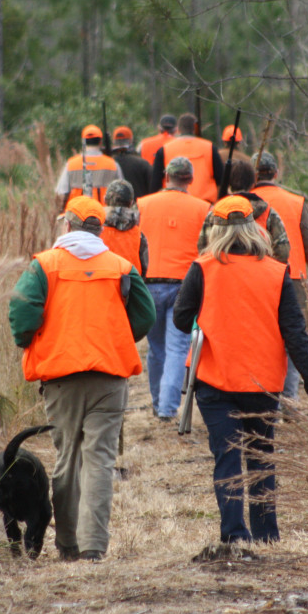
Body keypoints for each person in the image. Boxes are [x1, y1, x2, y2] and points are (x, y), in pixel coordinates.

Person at [9, 196, 155, 562]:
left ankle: (69, 545)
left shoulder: (45, 265)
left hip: (61, 378)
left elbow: (23, 311)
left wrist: (28, 340)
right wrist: (117, 337)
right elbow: (145, 314)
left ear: (68, 226)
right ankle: (94, 547)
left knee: (67, 458)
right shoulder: (121, 266)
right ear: (99, 229)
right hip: (109, 378)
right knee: (101, 459)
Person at [173, 195, 308, 544]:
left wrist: (210, 318)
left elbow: (182, 319)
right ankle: (267, 535)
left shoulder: (203, 267)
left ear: (217, 230)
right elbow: (294, 333)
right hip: (263, 383)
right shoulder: (276, 272)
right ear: (255, 227)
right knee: (261, 457)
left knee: (227, 457)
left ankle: (233, 536)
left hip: (214, 380)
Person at [136, 157, 210, 421]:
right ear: (190, 179)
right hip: (184, 288)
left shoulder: (142, 205)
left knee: (155, 349)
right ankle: (167, 409)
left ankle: (158, 404)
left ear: (166, 175)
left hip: (148, 285)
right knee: (178, 348)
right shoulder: (204, 209)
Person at [250, 151, 308, 402]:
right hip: (292, 279)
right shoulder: (296, 201)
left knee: (258, 339)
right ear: (276, 173)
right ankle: (289, 400)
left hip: (252, 280)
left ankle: (260, 394)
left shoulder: (243, 202)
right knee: (292, 339)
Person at [196, 159, 289, 262]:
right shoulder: (268, 212)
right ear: (253, 183)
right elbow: (283, 251)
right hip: (259, 274)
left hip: (222, 273)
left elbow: (203, 249)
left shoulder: (215, 212)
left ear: (228, 184)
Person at [152, 113, 224, 203]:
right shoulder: (210, 147)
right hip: (205, 204)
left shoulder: (165, 149)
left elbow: (155, 183)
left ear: (178, 129)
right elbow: (221, 180)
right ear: (195, 128)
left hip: (173, 202)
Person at [55, 125, 123, 213]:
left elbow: (61, 192)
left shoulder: (71, 164)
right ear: (100, 142)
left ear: (83, 142)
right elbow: (122, 192)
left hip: (77, 216)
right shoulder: (113, 164)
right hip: (104, 216)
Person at [101, 179, 148, 277]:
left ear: (105, 200)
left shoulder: (95, 229)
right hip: (129, 287)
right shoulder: (139, 234)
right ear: (131, 203)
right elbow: (144, 268)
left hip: (102, 284)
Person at [110, 126, 154, 199]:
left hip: (112, 207)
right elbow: (152, 188)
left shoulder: (108, 163)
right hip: (138, 206)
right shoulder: (142, 163)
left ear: (113, 141)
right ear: (131, 140)